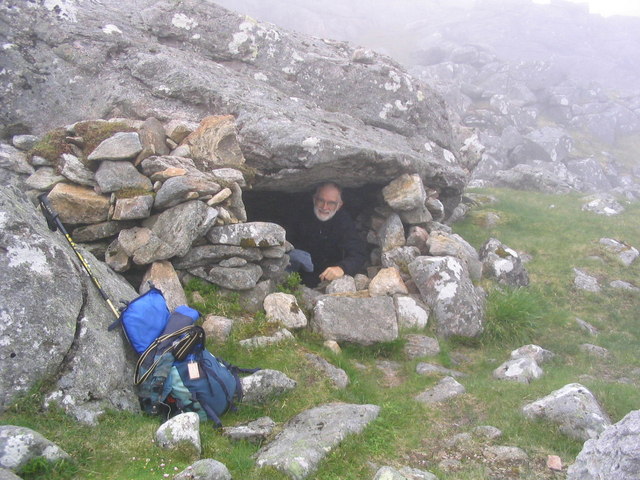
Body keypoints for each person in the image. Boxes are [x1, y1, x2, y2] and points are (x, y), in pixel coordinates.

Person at [285, 182, 367, 287]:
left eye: (331, 203)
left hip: (327, 281)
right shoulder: (299, 215)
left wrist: (342, 268)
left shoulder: (343, 221)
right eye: (321, 201)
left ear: (339, 205)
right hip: (296, 278)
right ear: (314, 199)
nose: (325, 207)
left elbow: (358, 254)